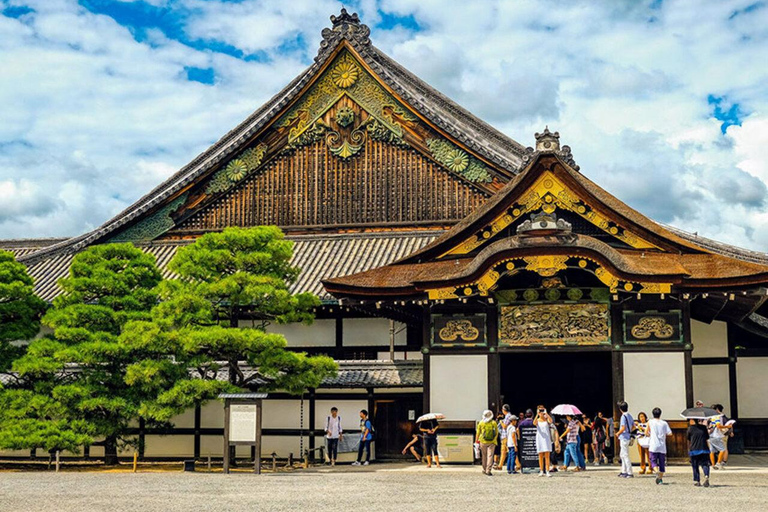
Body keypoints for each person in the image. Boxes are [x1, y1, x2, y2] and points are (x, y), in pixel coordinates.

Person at [646, 407, 672, 485]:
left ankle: (656, 471)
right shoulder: (664, 423)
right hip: (662, 446)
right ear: (660, 414)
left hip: (653, 445)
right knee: (662, 463)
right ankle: (660, 479)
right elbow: (670, 433)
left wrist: (650, 434)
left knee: (653, 461)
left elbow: (646, 432)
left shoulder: (650, 422)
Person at [688, 418, 711, 487]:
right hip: (704, 448)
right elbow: (707, 437)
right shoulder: (703, 428)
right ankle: (706, 475)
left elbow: (688, 438)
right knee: (705, 464)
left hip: (694, 449)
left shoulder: (690, 428)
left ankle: (697, 480)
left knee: (695, 465)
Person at [476, 410, 498, 476]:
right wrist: (494, 440)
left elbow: (478, 433)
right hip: (492, 442)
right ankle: (488, 470)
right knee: (490, 456)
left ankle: (484, 468)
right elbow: (496, 433)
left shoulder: (481, 423)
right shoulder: (494, 423)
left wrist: (476, 441)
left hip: (483, 441)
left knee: (484, 455)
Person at [533, 405, 553, 477]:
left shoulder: (546, 419)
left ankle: (547, 470)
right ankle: (541, 470)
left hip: (546, 438)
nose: (541, 412)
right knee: (540, 455)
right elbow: (534, 423)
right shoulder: (537, 420)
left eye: (542, 410)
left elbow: (551, 421)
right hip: (540, 438)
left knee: (547, 455)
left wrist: (546, 414)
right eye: (540, 410)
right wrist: (537, 414)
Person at [616, 401, 634, 478]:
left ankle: (629, 472)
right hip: (628, 436)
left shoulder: (623, 417)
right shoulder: (629, 416)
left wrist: (618, 433)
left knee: (625, 455)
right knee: (622, 454)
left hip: (624, 437)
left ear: (620, 409)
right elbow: (633, 426)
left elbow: (623, 427)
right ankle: (624, 471)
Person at [709, 404, 729, 470]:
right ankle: (718, 463)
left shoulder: (711, 417)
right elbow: (719, 426)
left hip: (711, 435)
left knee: (712, 451)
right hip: (717, 435)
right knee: (722, 449)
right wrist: (727, 426)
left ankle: (713, 464)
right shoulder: (717, 416)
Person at [496, 404, 513, 470]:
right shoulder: (507, 416)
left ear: (504, 410)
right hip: (504, 436)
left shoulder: (508, 416)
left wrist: (501, 421)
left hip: (506, 436)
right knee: (504, 451)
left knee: (508, 450)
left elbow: (504, 426)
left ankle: (517, 464)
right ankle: (500, 465)